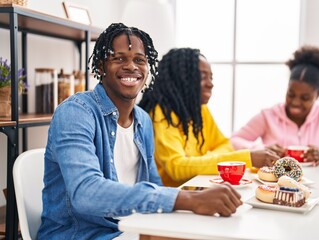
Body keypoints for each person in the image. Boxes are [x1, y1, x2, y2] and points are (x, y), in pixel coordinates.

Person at [38, 23, 243, 240]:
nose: (131, 66)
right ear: (100, 67)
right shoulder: (76, 113)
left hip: (131, 228)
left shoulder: (143, 121)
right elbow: (86, 193)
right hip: (83, 235)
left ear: (148, 69)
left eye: (139, 60)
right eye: (119, 58)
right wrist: (186, 200)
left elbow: (154, 185)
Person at [138, 48, 279, 187]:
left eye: (211, 77)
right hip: (174, 200)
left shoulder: (199, 109)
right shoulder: (161, 114)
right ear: (181, 78)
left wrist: (201, 161)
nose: (210, 84)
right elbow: (177, 168)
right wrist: (247, 158)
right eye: (202, 77)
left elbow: (224, 145)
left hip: (199, 189)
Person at [230, 45, 319, 166]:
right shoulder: (268, 115)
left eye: (305, 98)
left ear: (317, 95)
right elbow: (234, 140)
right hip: (277, 184)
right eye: (291, 94)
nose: (295, 102)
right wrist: (261, 150)